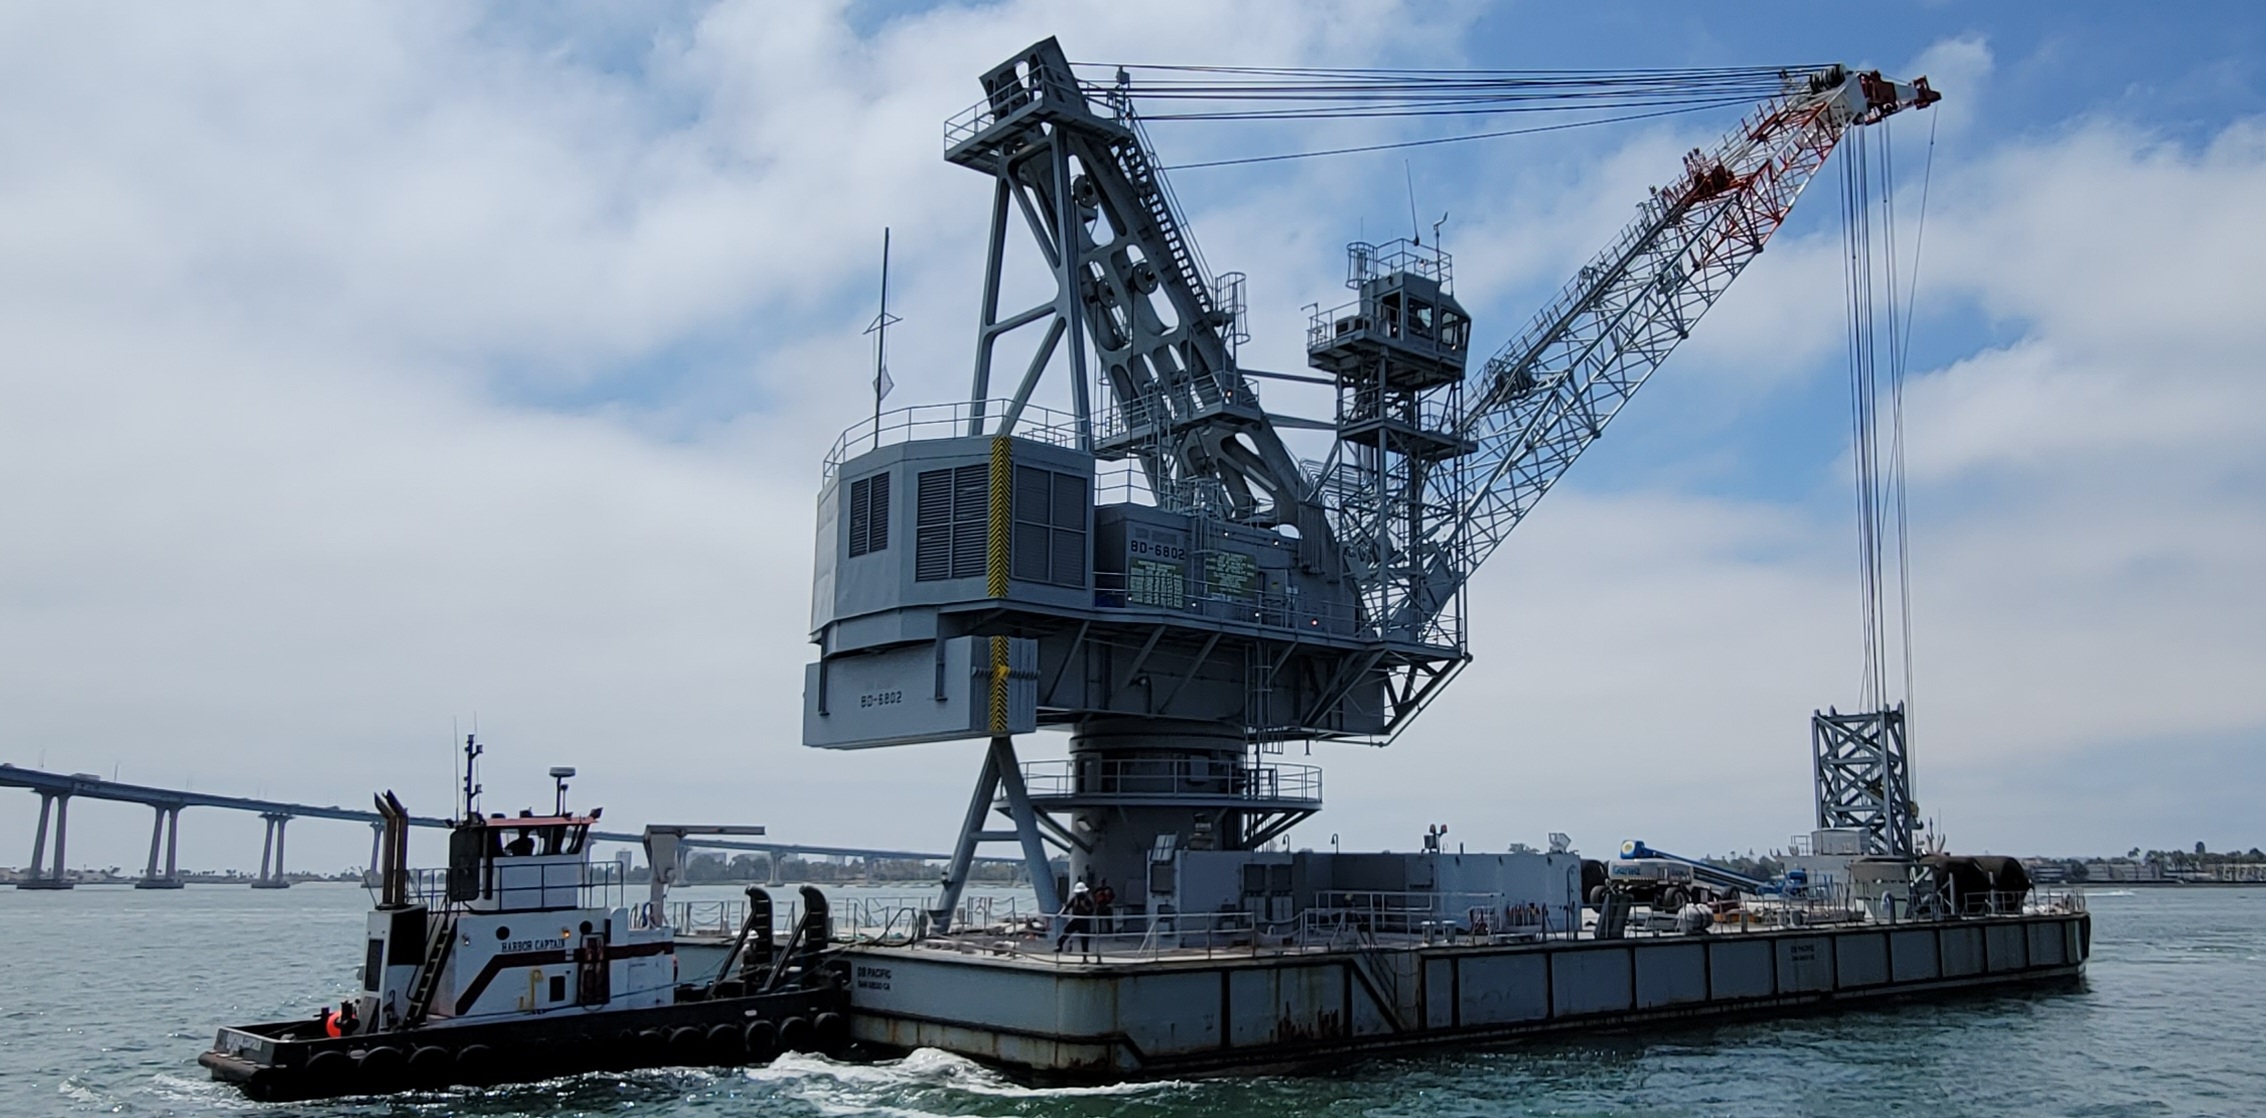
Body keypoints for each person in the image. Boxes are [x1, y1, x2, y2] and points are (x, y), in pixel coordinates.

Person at [1055, 881, 1094, 956]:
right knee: (1066, 931)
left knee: (1084, 939)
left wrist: (1084, 906)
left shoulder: (1087, 899)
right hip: (1076, 919)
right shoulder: (1074, 899)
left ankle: (1085, 956)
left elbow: (1091, 910)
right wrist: (1060, 913)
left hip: (1085, 921)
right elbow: (1067, 906)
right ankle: (1059, 946)